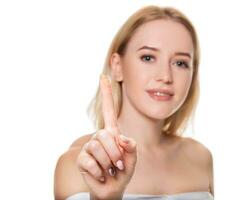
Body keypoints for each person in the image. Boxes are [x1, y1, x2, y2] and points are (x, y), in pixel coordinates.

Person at [54, 5, 214, 200]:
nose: (165, 76)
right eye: (148, 57)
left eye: (180, 63)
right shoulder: (80, 165)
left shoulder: (200, 158)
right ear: (117, 66)